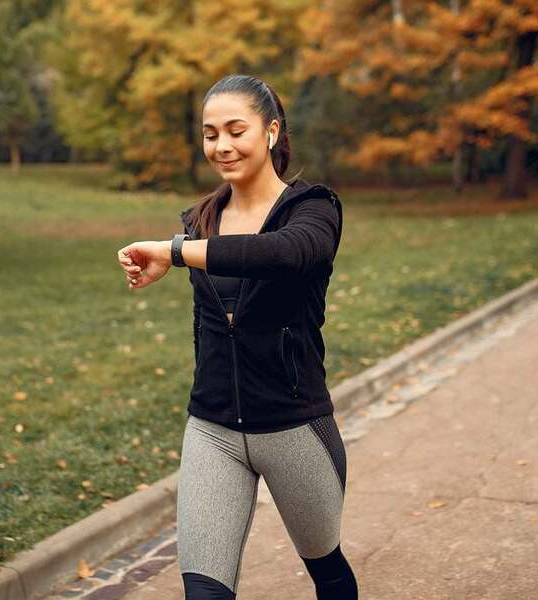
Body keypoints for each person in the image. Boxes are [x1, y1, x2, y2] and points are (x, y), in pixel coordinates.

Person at [116, 74, 357, 600]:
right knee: (204, 591)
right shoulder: (201, 220)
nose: (221, 146)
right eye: (209, 134)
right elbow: (210, 327)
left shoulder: (313, 209)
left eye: (235, 130)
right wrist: (176, 252)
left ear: (271, 132)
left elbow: (282, 254)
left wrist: (176, 252)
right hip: (213, 431)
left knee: (328, 572)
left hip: (294, 428)